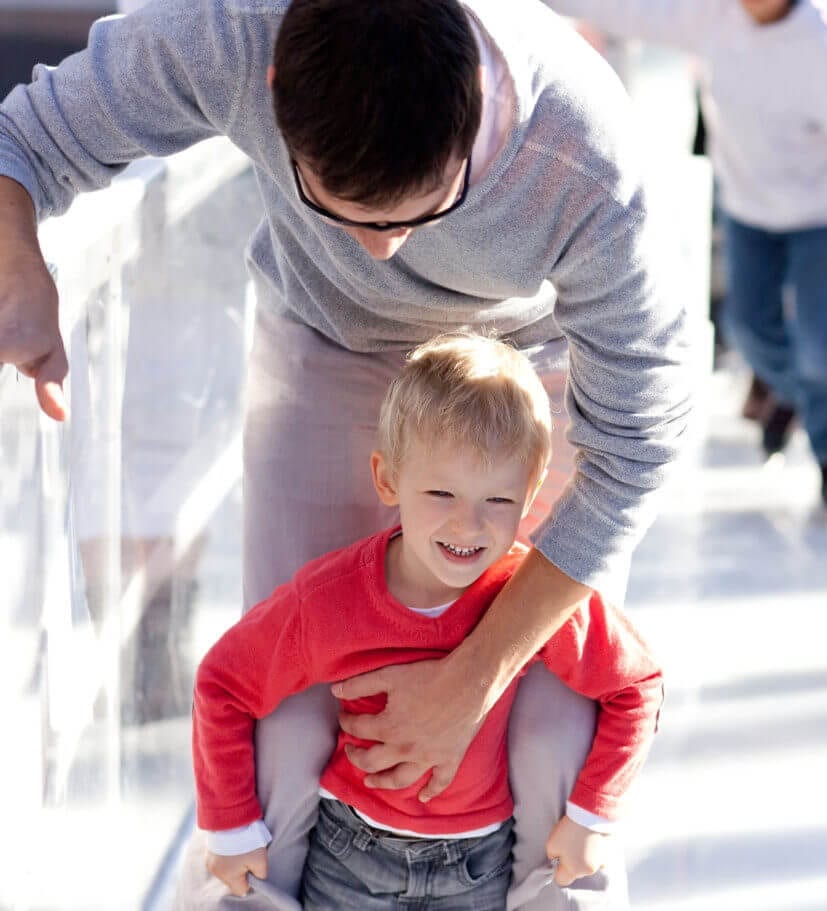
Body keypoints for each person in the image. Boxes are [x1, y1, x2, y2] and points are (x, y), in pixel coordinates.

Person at [0, 0, 692, 907]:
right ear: (277, 90)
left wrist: (472, 677)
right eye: (343, 209)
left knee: (553, 709)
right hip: (325, 342)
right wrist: (18, 269)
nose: (381, 249)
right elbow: (25, 138)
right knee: (290, 690)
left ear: (475, 98)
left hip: (528, 366)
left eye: (420, 213)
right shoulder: (233, 36)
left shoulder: (586, 156)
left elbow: (639, 442)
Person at [192, 333, 663, 910]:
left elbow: (637, 685)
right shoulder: (331, 600)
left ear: (532, 491)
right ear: (388, 480)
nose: (468, 526)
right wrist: (230, 829)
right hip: (348, 858)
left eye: (497, 501)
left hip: (477, 868)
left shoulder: (532, 598)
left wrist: (594, 816)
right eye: (442, 492)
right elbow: (222, 682)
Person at [549, 0, 827, 518]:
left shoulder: (821, 47)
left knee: (823, 344)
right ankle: (799, 396)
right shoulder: (713, 19)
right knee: (748, 329)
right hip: (749, 215)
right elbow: (632, 12)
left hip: (820, 219)